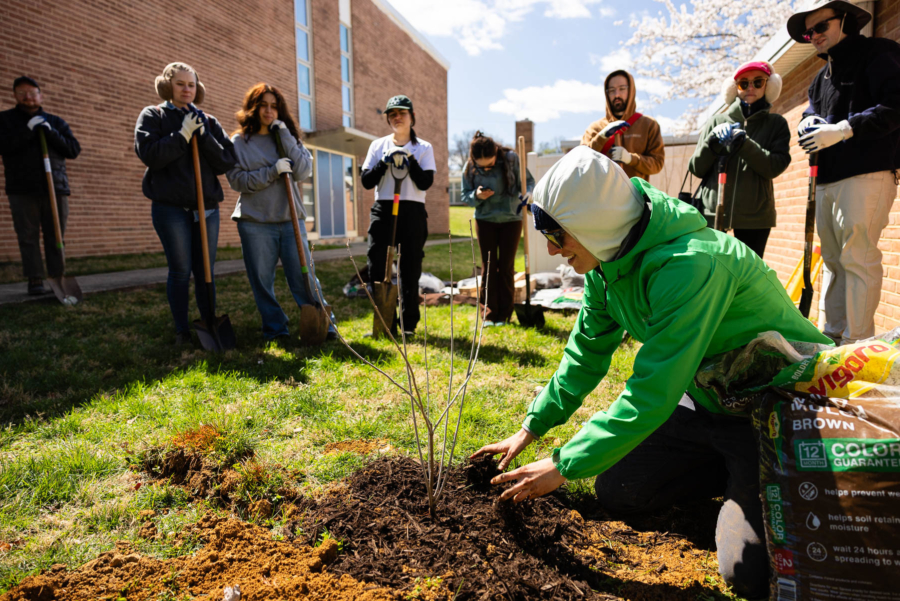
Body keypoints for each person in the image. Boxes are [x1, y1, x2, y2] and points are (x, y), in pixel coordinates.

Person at [472, 146, 832, 599]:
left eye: (557, 235)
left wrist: (562, 465)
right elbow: (585, 353)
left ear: (594, 224)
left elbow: (651, 392)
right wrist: (532, 427)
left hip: (766, 413)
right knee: (620, 489)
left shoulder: (691, 263)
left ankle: (751, 474)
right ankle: (731, 475)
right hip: (708, 400)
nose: (551, 248)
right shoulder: (607, 262)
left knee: (750, 573)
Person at [787, 1, 900, 345]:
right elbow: (810, 112)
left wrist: (845, 129)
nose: (814, 37)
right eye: (809, 32)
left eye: (820, 27)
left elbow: (895, 105)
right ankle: (832, 341)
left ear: (846, 20)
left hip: (867, 173)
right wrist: (808, 121)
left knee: (858, 258)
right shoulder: (821, 78)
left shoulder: (878, 53)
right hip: (826, 179)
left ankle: (858, 346)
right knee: (835, 261)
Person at [134, 62, 236, 346]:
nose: (186, 89)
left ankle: (209, 321)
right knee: (180, 269)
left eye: (191, 84)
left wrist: (202, 136)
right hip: (171, 208)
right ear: (168, 85)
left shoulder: (208, 121)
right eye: (180, 84)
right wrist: (180, 136)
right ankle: (182, 330)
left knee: (205, 270)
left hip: (207, 208)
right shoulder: (153, 116)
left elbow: (227, 160)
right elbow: (151, 155)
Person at [226, 83, 336, 342]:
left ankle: (324, 323)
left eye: (274, 106)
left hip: (290, 222)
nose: (268, 110)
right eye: (263, 105)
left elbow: (302, 171)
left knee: (305, 277)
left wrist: (284, 134)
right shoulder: (240, 142)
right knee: (262, 281)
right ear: (253, 108)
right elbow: (237, 181)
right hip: (255, 221)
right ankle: (276, 329)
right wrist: (272, 172)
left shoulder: (287, 138)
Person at [688, 61, 791, 258]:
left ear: (769, 85)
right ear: (735, 88)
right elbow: (696, 169)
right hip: (712, 214)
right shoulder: (716, 121)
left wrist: (744, 143)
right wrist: (713, 143)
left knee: (746, 280)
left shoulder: (776, 124)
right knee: (711, 276)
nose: (750, 88)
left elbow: (774, 167)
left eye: (758, 82)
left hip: (755, 220)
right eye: (744, 83)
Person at [361, 95, 436, 336]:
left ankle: (408, 324)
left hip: (412, 211)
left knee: (410, 268)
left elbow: (425, 182)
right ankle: (385, 321)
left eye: (402, 113)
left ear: (412, 117)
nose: (397, 117)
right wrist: (384, 162)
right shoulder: (377, 145)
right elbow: (366, 180)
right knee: (377, 264)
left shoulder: (423, 147)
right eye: (392, 113)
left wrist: (410, 160)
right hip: (383, 208)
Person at [0, 76, 81, 295]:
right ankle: (35, 279)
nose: (28, 97)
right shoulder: (5, 121)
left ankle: (58, 276)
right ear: (15, 96)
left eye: (32, 92)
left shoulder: (55, 121)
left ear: (40, 95)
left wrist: (50, 133)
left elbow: (73, 149)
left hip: (55, 188)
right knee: (27, 235)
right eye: (22, 93)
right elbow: (5, 146)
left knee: (55, 234)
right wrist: (28, 131)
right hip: (22, 188)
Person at [460, 132, 535, 326]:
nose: (486, 168)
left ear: (497, 154)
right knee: (489, 266)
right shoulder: (469, 168)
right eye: (482, 166)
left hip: (511, 219)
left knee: (506, 267)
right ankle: (489, 314)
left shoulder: (511, 159)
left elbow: (529, 182)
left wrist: (529, 194)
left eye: (490, 165)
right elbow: (464, 195)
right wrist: (476, 195)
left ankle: (504, 315)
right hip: (485, 220)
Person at [581, 70, 664, 181]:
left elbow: (657, 164)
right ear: (607, 94)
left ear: (631, 91)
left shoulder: (648, 125)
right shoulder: (595, 128)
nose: (617, 95)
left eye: (622, 89)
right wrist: (600, 138)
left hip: (635, 196)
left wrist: (631, 158)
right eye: (612, 90)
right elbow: (581, 162)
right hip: (603, 197)